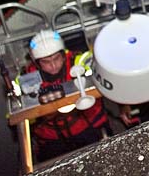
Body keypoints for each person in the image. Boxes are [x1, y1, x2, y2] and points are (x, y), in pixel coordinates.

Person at [25, 29, 112, 163]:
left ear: (63, 54)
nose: (53, 65)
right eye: (46, 62)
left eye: (56, 58)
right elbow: (24, 112)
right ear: (36, 62)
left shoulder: (79, 61)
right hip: (51, 136)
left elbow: (101, 76)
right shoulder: (28, 78)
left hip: (86, 125)